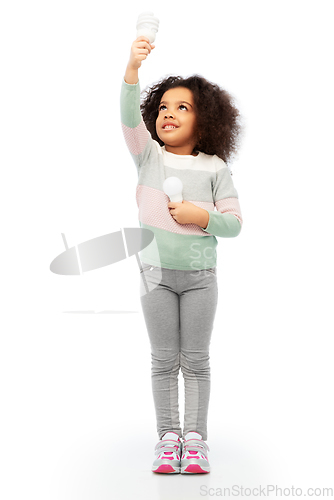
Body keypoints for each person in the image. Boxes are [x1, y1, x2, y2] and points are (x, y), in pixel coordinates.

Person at [120, 36, 243, 474]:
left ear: (205, 119)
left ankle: (195, 440)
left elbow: (233, 223)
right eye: (163, 107)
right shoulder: (148, 157)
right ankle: (167, 437)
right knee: (162, 360)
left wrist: (199, 214)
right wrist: (132, 71)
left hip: (199, 278)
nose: (168, 113)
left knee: (195, 360)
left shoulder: (215, 167)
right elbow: (128, 119)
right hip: (154, 274)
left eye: (183, 107)